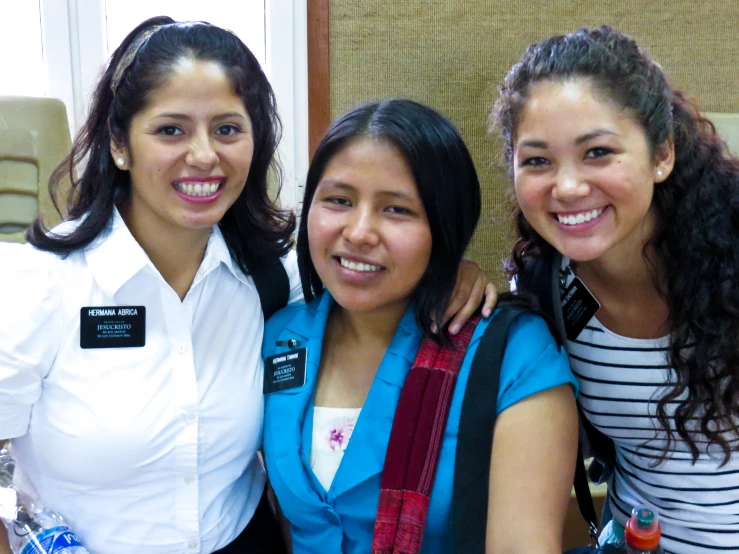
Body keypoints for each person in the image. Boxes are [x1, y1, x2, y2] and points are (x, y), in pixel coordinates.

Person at [0, 17, 495, 554]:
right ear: (120, 144)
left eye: (227, 129)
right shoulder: (43, 283)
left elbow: (373, 283)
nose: (204, 155)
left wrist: (453, 272)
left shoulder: (272, 272)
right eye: (171, 130)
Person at [261, 98, 579, 553]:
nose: (359, 232)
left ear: (444, 226)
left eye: (396, 210)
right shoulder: (280, 336)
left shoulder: (512, 356)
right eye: (338, 200)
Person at [492, 25, 739, 554]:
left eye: (598, 152)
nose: (568, 186)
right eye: (537, 160)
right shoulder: (542, 289)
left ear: (661, 154)